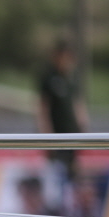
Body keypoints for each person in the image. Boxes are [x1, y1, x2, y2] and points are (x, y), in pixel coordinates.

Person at [37, 38, 89, 180]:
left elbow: (77, 102)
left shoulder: (72, 78)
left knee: (74, 173)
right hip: (56, 133)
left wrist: (83, 124)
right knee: (55, 174)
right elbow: (43, 106)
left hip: (73, 133)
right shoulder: (48, 77)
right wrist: (45, 132)